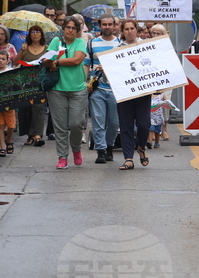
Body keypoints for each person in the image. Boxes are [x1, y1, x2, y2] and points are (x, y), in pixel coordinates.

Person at [45, 17, 89, 169]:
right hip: (57, 89)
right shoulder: (56, 42)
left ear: (77, 31)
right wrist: (51, 62)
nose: (70, 30)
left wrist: (57, 61)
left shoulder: (80, 43)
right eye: (67, 27)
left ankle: (76, 149)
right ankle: (62, 157)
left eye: (73, 28)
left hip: (78, 89)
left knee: (77, 123)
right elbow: (46, 60)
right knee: (60, 126)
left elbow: (77, 60)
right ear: (63, 29)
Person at [114, 18, 151, 170]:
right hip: (124, 93)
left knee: (144, 125)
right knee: (126, 125)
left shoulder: (146, 46)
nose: (129, 31)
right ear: (122, 32)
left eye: (132, 28)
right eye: (126, 29)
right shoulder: (116, 50)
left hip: (143, 92)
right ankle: (128, 158)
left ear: (137, 30)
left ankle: (141, 146)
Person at [87, 14, 121, 164]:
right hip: (97, 88)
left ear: (114, 26)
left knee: (114, 123)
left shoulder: (120, 44)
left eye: (110, 24)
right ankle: (101, 151)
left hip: (115, 89)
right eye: (104, 24)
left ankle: (109, 146)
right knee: (98, 121)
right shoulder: (92, 44)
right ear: (100, 26)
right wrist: (86, 82)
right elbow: (86, 65)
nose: (107, 27)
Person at [15, 25, 49, 147]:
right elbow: (16, 62)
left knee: (39, 108)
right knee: (26, 109)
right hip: (26, 83)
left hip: (40, 82)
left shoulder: (47, 48)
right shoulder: (25, 47)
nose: (35, 34)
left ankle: (38, 135)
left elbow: (50, 63)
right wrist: (22, 51)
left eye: (38, 31)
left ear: (41, 34)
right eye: (33, 32)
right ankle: (29, 135)